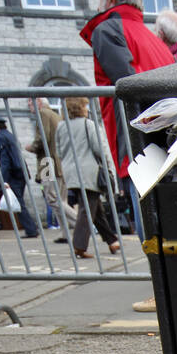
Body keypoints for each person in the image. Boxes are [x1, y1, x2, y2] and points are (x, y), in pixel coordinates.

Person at [80, 0, 174, 309]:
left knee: (145, 215)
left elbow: (128, 86)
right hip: (165, 135)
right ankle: (172, 285)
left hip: (136, 137)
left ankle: (163, 292)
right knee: (163, 213)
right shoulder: (151, 37)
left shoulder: (108, 30)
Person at [55, 97, 120, 259]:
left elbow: (58, 151)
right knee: (87, 209)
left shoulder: (61, 127)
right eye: (85, 105)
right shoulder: (88, 124)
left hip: (70, 171)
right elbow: (99, 147)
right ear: (80, 107)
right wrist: (108, 165)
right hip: (89, 172)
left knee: (95, 208)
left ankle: (112, 241)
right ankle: (79, 245)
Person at [27, 97, 78, 238]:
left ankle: (80, 223)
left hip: (47, 162)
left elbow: (42, 138)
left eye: (30, 102)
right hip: (60, 162)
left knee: (52, 199)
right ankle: (65, 233)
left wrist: (31, 147)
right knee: (61, 199)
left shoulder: (43, 113)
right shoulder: (56, 115)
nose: (28, 105)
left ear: (39, 102)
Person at [0, 115, 40, 237]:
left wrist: (4, 180)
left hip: (14, 174)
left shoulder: (1, 137)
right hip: (21, 172)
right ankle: (31, 228)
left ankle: (31, 229)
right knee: (19, 202)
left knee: (19, 203)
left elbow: (5, 160)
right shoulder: (10, 135)